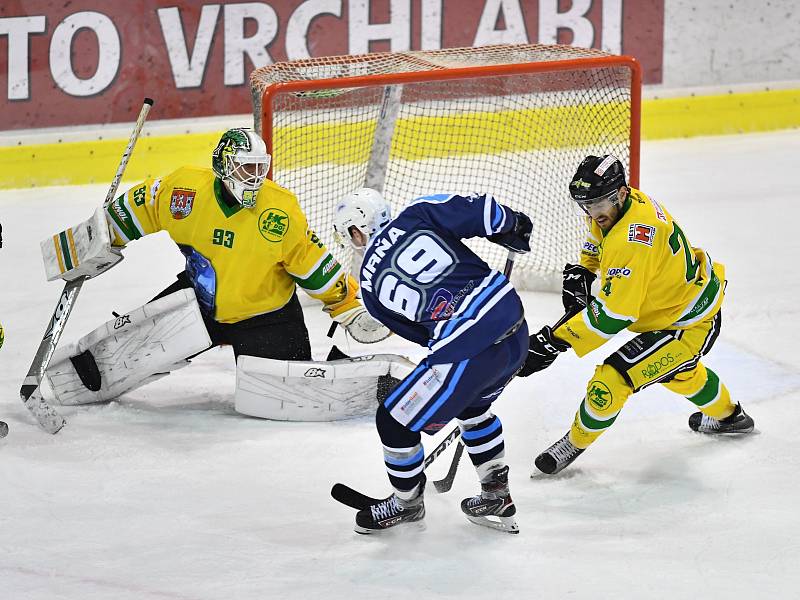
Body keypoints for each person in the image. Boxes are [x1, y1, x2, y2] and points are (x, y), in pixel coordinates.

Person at [43, 128, 388, 407]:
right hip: (197, 304)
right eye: (245, 168)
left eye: (259, 168)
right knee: (126, 352)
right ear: (223, 166)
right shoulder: (185, 190)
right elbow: (140, 208)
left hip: (267, 318)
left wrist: (348, 307)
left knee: (290, 395)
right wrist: (97, 239)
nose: (254, 178)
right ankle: (75, 376)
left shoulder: (280, 211)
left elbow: (313, 265)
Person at [520, 154, 754, 475]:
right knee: (678, 373)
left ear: (617, 194)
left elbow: (616, 314)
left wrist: (554, 341)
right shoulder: (617, 205)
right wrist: (584, 271)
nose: (591, 213)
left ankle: (574, 442)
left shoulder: (633, 236)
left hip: (688, 322)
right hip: (680, 306)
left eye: (597, 204)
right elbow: (596, 237)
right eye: (585, 205)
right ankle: (730, 417)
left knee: (612, 379)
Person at [332, 188, 533, 534]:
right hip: (515, 329)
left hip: (468, 348)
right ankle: (496, 494)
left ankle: (407, 503)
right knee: (471, 409)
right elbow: (483, 212)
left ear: (356, 231)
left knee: (393, 421)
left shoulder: (367, 283)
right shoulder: (419, 213)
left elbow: (421, 334)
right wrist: (512, 224)